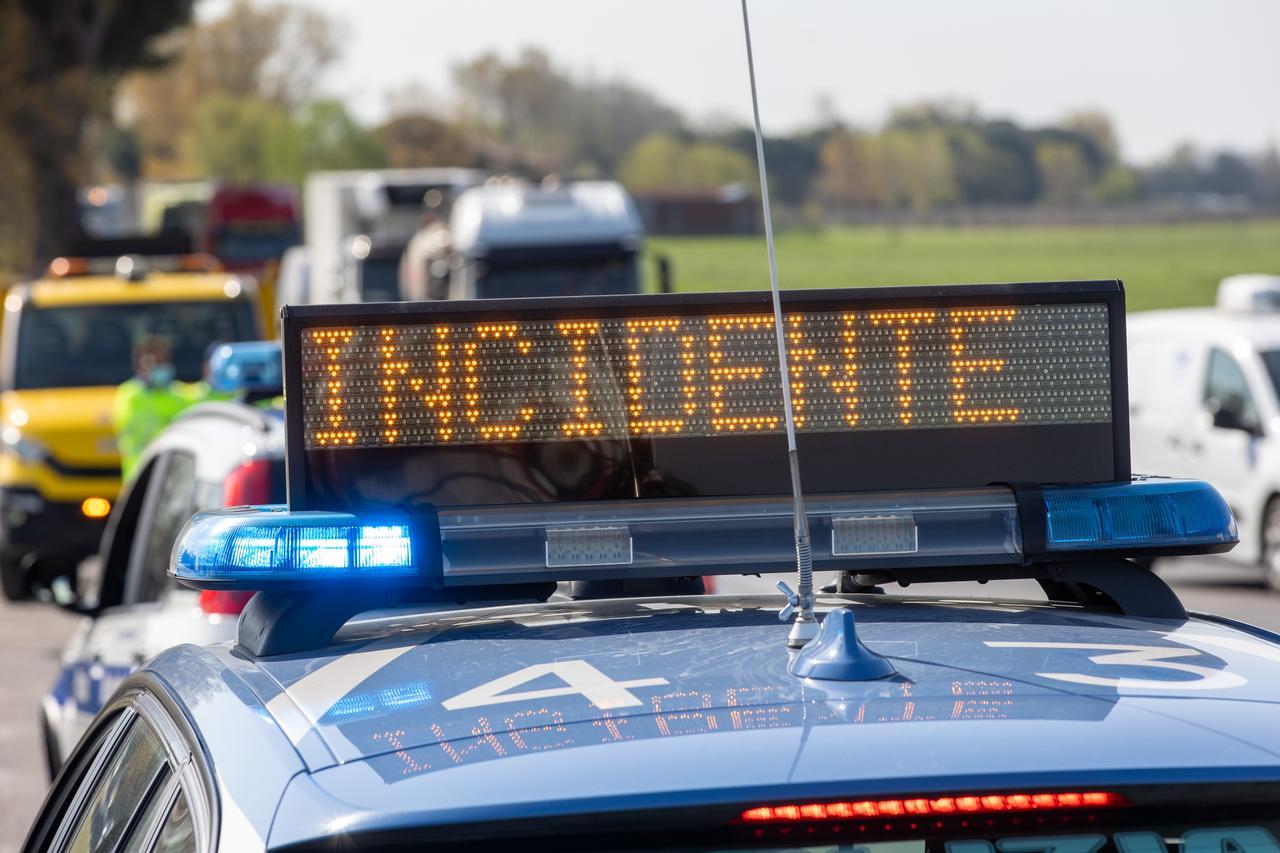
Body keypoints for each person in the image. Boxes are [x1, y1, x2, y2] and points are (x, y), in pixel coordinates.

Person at [112, 337, 198, 480]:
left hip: (174, 479)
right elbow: (141, 432)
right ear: (140, 364)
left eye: (163, 362)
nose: (160, 367)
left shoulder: (179, 394)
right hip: (140, 479)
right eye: (155, 362)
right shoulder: (130, 395)